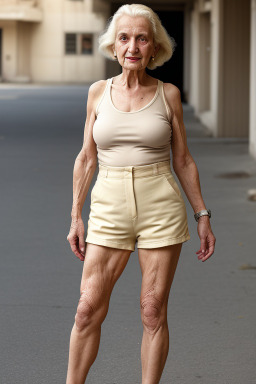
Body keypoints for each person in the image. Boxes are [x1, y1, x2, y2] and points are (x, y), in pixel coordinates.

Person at [66, 3, 216, 384]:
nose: (132, 46)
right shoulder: (98, 93)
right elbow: (87, 158)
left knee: (152, 310)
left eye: (141, 38)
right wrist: (75, 216)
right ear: (114, 47)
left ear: (154, 48)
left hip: (160, 204)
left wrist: (202, 215)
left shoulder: (168, 95)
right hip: (108, 204)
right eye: (124, 38)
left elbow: (182, 159)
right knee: (87, 309)